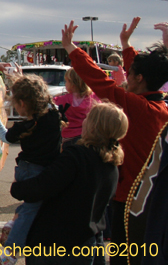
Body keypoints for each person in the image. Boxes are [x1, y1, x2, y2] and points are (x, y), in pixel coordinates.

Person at [61, 18, 168, 265]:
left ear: (139, 78)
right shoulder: (159, 105)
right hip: (151, 196)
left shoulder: (139, 107)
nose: (124, 78)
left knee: (124, 257)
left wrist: (72, 49)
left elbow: (100, 81)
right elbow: (140, 78)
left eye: (128, 74)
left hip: (130, 198)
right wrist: (126, 45)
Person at [9, 102, 128, 265]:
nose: (84, 122)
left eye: (88, 118)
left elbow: (43, 185)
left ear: (94, 126)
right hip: (85, 244)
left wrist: (17, 187)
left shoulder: (77, 157)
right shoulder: (112, 166)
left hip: (54, 245)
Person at [0, 75, 63, 265]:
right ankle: (11, 250)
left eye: (14, 103)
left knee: (30, 208)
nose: (15, 108)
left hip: (28, 171)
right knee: (33, 208)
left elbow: (7, 138)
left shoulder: (25, 126)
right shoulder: (53, 115)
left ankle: (12, 235)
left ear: (23, 103)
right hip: (42, 171)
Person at [54, 68, 100, 148]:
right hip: (89, 135)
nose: (65, 84)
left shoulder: (64, 99)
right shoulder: (94, 98)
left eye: (66, 81)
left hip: (68, 137)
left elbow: (51, 104)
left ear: (73, 84)